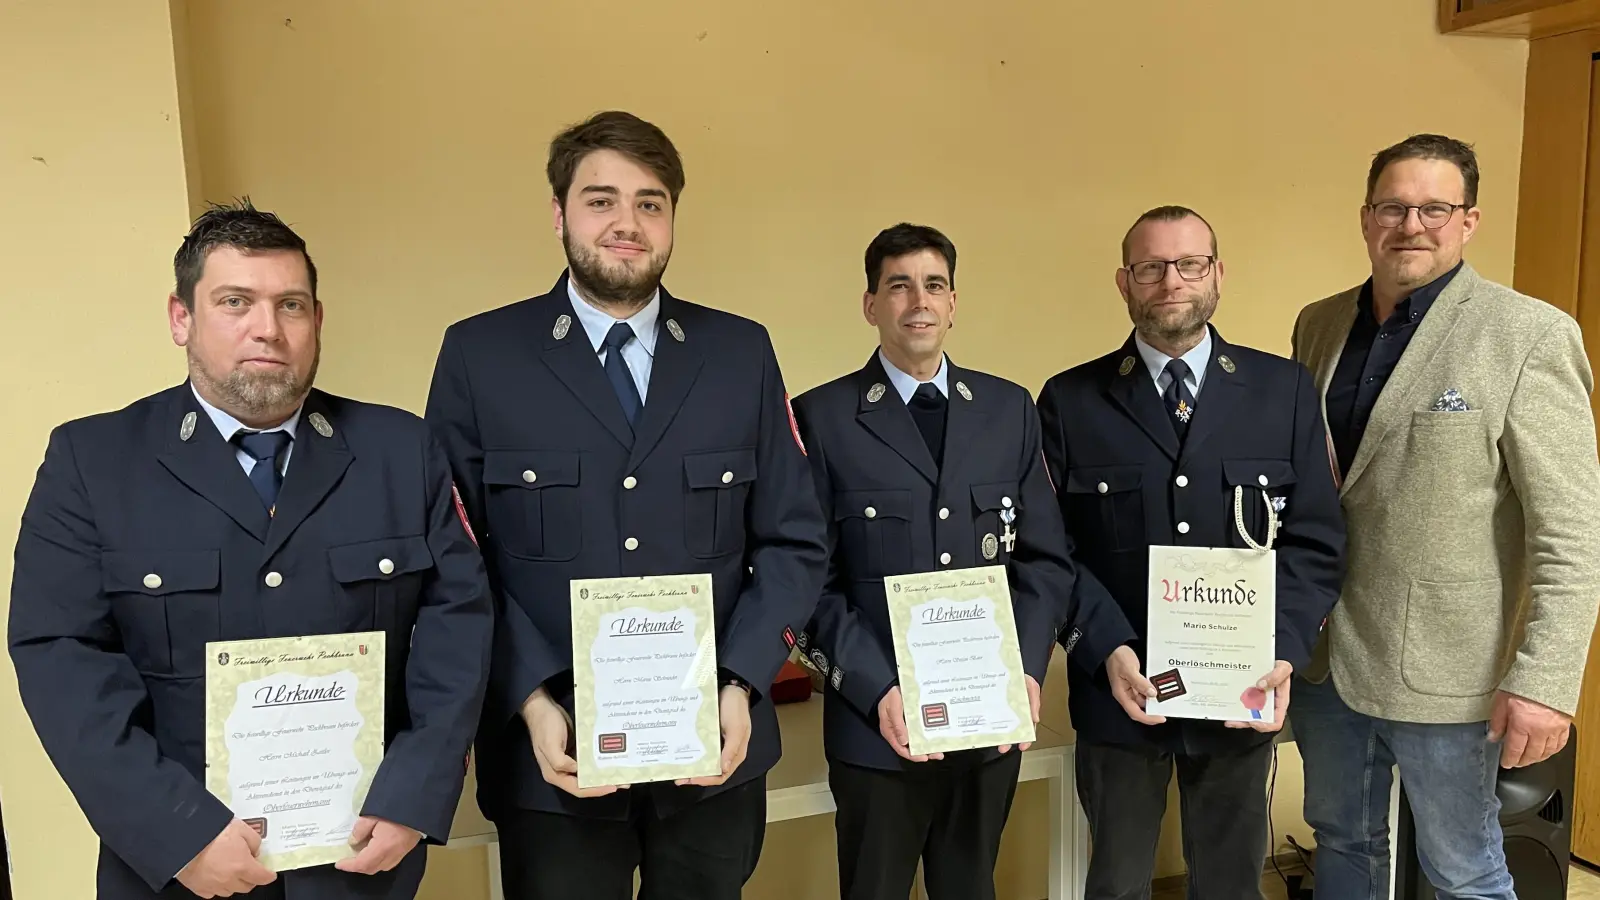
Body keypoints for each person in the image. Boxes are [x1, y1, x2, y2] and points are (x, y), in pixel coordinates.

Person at [8, 201, 494, 900]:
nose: (268, 328)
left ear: (317, 321)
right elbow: (60, 658)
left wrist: (418, 794)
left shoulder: (401, 450)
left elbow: (460, 627)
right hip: (180, 870)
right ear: (182, 319)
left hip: (360, 860)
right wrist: (174, 831)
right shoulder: (92, 461)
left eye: (290, 305)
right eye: (235, 302)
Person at [423, 110, 829, 900]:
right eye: (601, 199)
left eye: (650, 203)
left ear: (672, 219)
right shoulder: (480, 356)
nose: (626, 223)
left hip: (714, 749)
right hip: (554, 758)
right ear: (559, 214)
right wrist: (530, 699)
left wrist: (742, 680)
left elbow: (795, 541)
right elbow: (454, 559)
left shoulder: (739, 353)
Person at [1289, 133, 1600, 900]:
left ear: (1470, 220)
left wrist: (1548, 681)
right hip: (1327, 658)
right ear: (1366, 219)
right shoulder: (1318, 326)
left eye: (1435, 207)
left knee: (1464, 867)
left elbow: (1570, 530)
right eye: (1394, 206)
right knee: (1343, 843)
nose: (1412, 223)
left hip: (1450, 671)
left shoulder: (1529, 334)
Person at [1037, 206, 1346, 899]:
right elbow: (1051, 550)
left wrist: (1283, 646)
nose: (1171, 281)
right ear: (1125, 282)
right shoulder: (1069, 400)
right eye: (1151, 267)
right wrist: (1106, 646)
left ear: (1217, 275)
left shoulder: (1283, 390)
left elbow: (1315, 541)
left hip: (1241, 685)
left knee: (1232, 882)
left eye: (1190, 264)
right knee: (1116, 882)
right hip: (1120, 687)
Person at [790, 223, 1077, 900]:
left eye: (934, 284)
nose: (918, 300)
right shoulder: (822, 418)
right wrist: (875, 688)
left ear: (953, 303)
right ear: (871, 305)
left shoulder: (1009, 410)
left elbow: (1044, 561)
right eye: (898, 286)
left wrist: (1028, 670)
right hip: (875, 722)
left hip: (987, 717)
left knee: (970, 885)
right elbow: (809, 581)